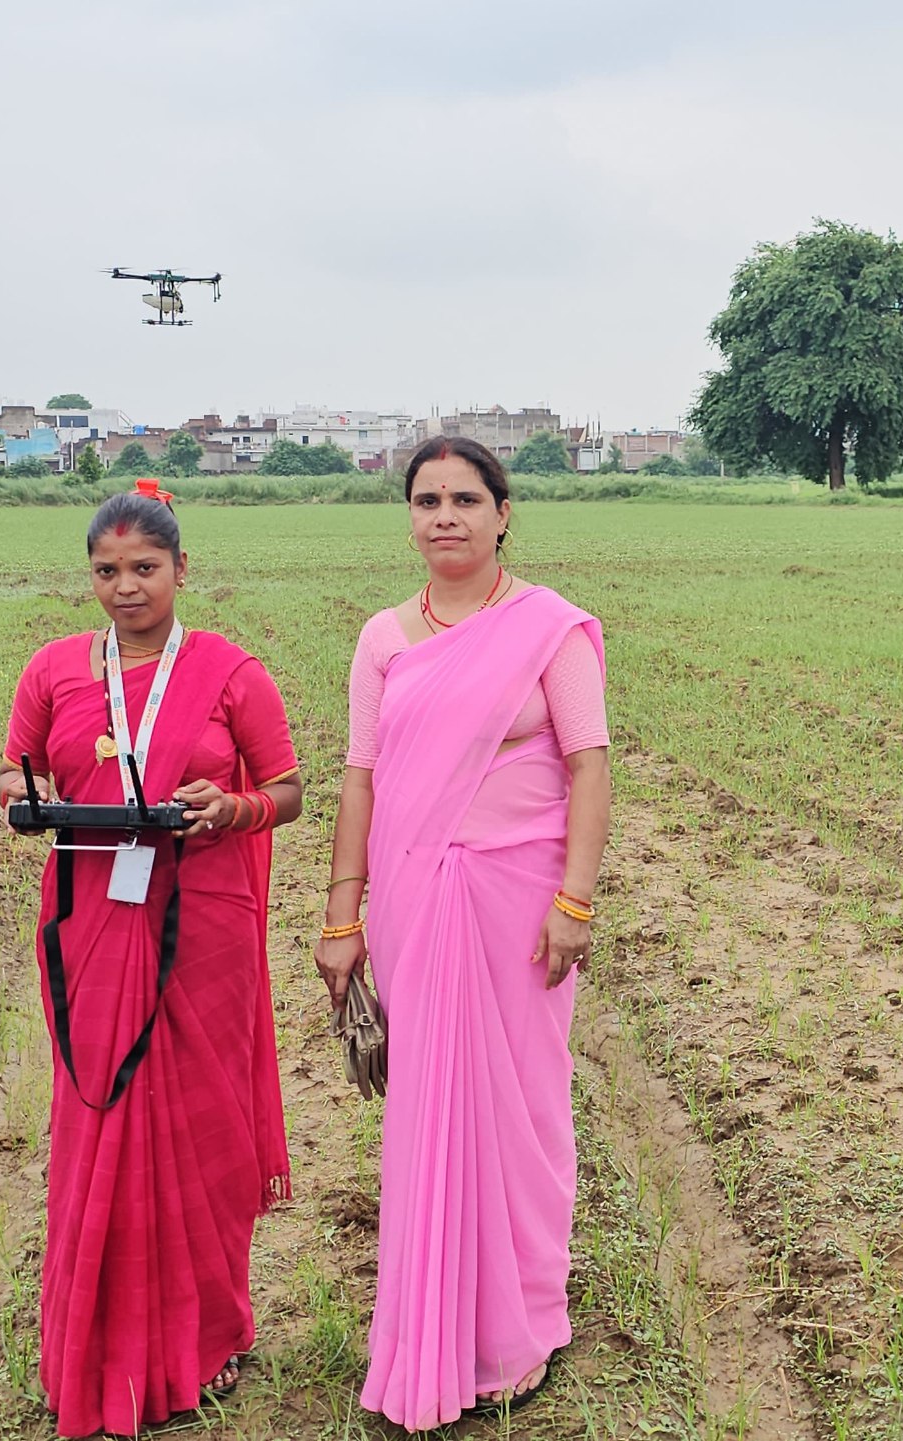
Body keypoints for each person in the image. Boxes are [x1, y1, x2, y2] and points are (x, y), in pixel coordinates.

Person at [0, 481, 304, 1438]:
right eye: (106, 571)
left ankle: (208, 1336)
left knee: (201, 1121)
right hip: (93, 920)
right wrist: (22, 795)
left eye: (143, 568)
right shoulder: (53, 669)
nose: (124, 587)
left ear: (181, 570)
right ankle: (96, 1343)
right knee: (102, 1114)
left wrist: (234, 808)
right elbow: (17, 766)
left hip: (202, 924)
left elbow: (289, 791)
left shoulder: (229, 672)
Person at [316, 435, 611, 1433]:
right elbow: (359, 779)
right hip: (412, 904)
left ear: (502, 512)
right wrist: (339, 915)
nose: (445, 516)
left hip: (521, 909)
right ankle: (426, 1331)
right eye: (426, 500)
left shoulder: (549, 630)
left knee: (522, 1110)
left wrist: (574, 903)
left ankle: (519, 1329)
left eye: (465, 499)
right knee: (425, 1117)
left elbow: (590, 770)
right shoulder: (383, 639)